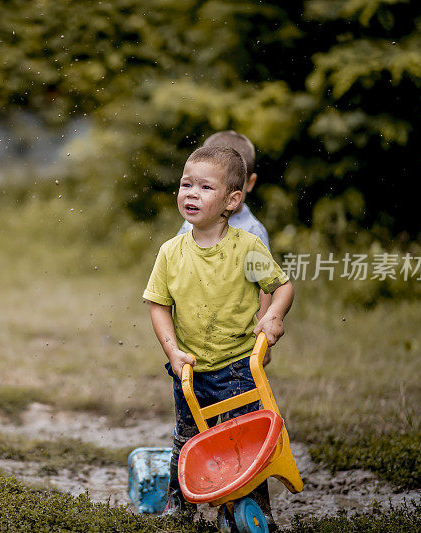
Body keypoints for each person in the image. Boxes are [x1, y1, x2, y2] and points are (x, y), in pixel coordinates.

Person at [143, 146, 294, 530]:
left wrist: (273, 317)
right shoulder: (171, 252)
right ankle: (182, 509)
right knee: (187, 440)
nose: (191, 193)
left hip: (239, 367)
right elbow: (158, 305)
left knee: (245, 441)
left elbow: (282, 286)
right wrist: (173, 351)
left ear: (232, 199)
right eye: (186, 184)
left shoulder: (246, 247)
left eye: (204, 187)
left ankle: (257, 512)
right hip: (191, 370)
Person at [178, 130, 275, 365]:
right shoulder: (192, 222)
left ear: (249, 183)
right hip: (198, 338)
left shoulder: (252, 232)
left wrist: (264, 338)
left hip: (237, 339)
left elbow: (265, 287)